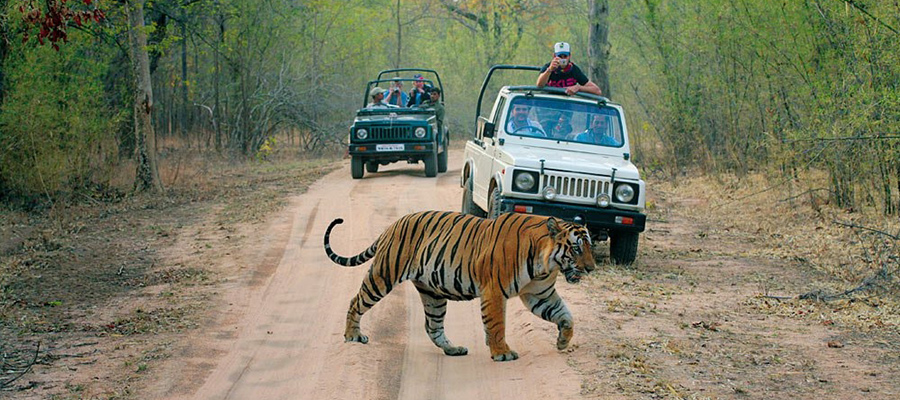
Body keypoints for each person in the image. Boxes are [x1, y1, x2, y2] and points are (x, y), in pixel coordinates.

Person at [536, 42, 602, 96]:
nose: (563, 59)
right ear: (554, 56)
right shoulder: (548, 67)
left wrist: (578, 88)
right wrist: (549, 70)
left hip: (567, 105)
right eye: (560, 56)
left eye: (565, 56)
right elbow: (539, 84)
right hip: (549, 103)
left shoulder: (574, 70)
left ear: (569, 56)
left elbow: (597, 91)